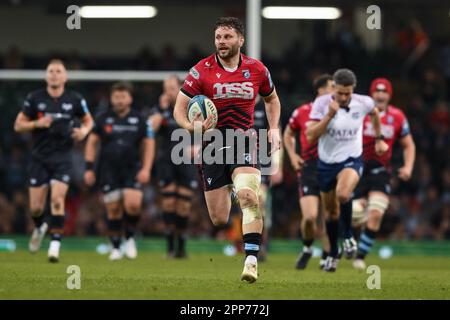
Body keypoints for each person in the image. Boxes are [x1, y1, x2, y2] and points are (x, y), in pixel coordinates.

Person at [173, 17, 281, 283]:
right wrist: (190, 127)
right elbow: (178, 108)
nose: (222, 42)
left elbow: (272, 99)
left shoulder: (257, 69)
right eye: (219, 37)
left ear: (240, 40)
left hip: (243, 140)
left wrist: (274, 128)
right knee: (219, 219)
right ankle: (236, 188)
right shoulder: (201, 70)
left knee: (248, 196)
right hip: (211, 145)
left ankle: (251, 260)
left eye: (227, 37)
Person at [306, 69, 389, 272]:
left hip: (352, 159)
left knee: (343, 194)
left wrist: (379, 140)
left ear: (353, 90)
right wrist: (330, 115)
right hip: (326, 163)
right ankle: (334, 251)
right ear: (334, 88)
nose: (343, 97)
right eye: (340, 93)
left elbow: (375, 114)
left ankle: (349, 236)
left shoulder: (364, 102)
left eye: (348, 93)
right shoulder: (322, 103)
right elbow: (310, 135)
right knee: (331, 212)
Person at [14, 59, 93, 262]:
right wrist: (36, 123)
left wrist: (83, 131)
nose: (55, 74)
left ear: (65, 76)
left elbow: (89, 120)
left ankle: (55, 246)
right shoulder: (34, 98)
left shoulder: (75, 99)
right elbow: (18, 125)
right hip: (39, 158)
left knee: (57, 200)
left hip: (62, 158)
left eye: (59, 71)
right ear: (46, 76)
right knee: (36, 208)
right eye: (51, 71)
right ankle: (40, 226)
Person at [84, 82, 155, 261]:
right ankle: (115, 246)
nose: (120, 100)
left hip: (132, 168)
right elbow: (92, 142)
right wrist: (89, 169)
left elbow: (149, 144)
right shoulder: (102, 118)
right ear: (111, 98)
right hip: (108, 170)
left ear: (130, 99)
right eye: (116, 97)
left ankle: (130, 238)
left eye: (123, 97)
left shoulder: (140, 119)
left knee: (133, 205)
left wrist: (146, 168)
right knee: (113, 208)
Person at [352, 78, 415, 269]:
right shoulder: (360, 113)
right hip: (356, 167)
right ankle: (354, 230)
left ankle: (360, 257)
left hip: (380, 170)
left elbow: (408, 144)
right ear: (372, 94)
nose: (380, 95)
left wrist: (408, 167)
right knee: (354, 214)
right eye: (377, 91)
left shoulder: (398, 117)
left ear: (389, 95)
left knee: (377, 213)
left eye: (384, 92)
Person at [284, 74, 333, 269]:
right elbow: (288, 133)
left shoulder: (339, 112)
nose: (335, 91)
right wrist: (293, 156)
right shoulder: (302, 112)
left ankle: (328, 257)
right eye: (331, 87)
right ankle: (307, 248)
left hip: (330, 165)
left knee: (328, 217)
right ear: (320, 91)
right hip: (309, 167)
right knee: (310, 217)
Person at [148, 75, 198, 258]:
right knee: (168, 203)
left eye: (171, 87)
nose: (168, 91)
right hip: (166, 160)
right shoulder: (159, 109)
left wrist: (198, 145)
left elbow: (206, 128)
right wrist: (161, 110)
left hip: (185, 160)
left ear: (179, 88)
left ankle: (182, 249)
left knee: (183, 205)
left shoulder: (191, 107)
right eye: (165, 88)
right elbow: (151, 129)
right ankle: (169, 248)